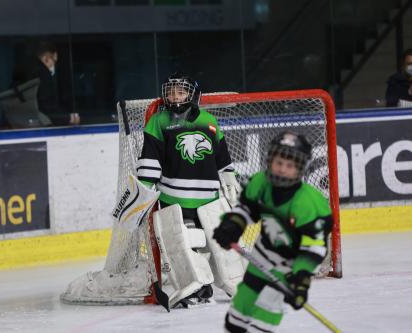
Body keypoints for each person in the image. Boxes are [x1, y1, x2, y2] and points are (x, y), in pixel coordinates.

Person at [136, 72, 241, 306]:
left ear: (193, 94)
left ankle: (232, 281)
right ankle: (196, 285)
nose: (174, 96)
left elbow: (222, 154)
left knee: (215, 243)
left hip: (209, 198)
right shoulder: (159, 121)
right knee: (185, 242)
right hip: (175, 197)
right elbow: (151, 158)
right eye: (171, 91)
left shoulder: (209, 120)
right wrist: (144, 189)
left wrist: (229, 176)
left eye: (180, 91)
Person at [213, 131, 333, 332]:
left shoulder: (310, 204)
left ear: (300, 169)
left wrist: (301, 279)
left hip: (289, 267)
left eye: (289, 166)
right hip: (261, 256)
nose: (282, 170)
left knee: (267, 309)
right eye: (279, 163)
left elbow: (314, 249)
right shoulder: (261, 182)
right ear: (270, 160)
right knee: (240, 308)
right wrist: (232, 226)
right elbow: (247, 209)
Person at [34, 42, 80, 126]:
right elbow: (47, 107)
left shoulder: (34, 74)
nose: (54, 64)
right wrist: (69, 118)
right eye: (54, 61)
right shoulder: (43, 76)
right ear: (46, 59)